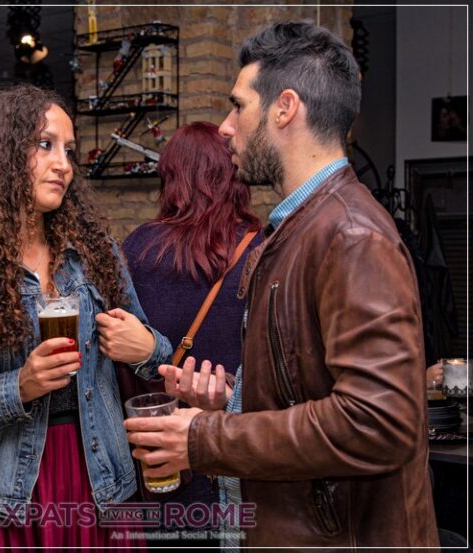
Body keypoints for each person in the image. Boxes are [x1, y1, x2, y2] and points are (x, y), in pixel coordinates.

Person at [125, 21, 439, 548]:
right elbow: (309, 390)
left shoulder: (350, 233)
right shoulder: (299, 227)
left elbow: (379, 423)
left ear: (285, 107)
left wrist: (208, 437)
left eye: (238, 106)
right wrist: (231, 399)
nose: (225, 127)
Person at [0, 83, 171, 549]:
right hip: (1, 496)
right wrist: (13, 389)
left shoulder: (94, 252)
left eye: (68, 150)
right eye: (45, 145)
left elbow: (151, 352)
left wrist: (148, 349)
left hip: (98, 484)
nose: (63, 164)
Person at [120, 122, 261, 540]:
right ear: (231, 173)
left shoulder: (138, 249)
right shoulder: (261, 250)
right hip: (234, 450)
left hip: (157, 453)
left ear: (171, 177)